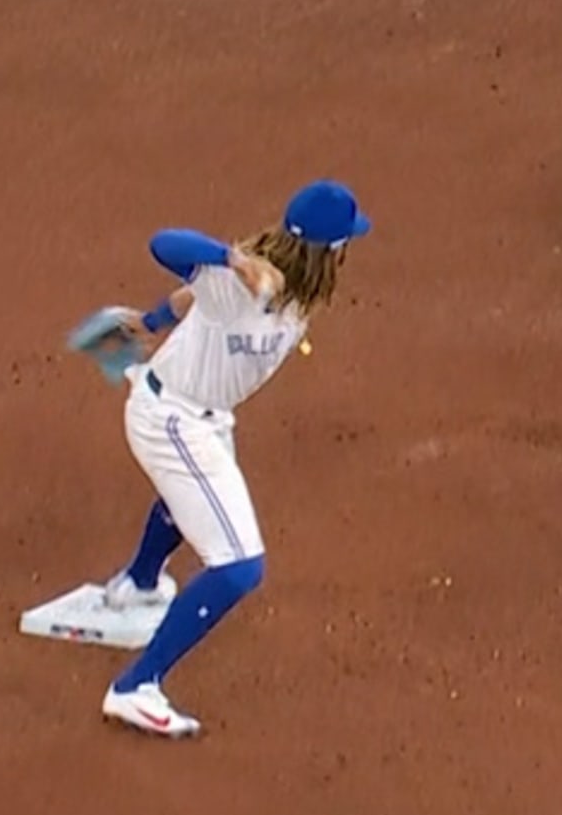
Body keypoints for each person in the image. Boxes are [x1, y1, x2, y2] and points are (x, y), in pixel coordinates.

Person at [93, 179, 370, 738]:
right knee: (241, 566)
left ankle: (138, 585)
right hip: (172, 419)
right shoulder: (246, 281)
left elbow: (189, 300)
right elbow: (164, 242)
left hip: (203, 416)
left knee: (191, 497)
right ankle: (135, 687)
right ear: (333, 249)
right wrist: (234, 260)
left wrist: (150, 325)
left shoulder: (297, 289)